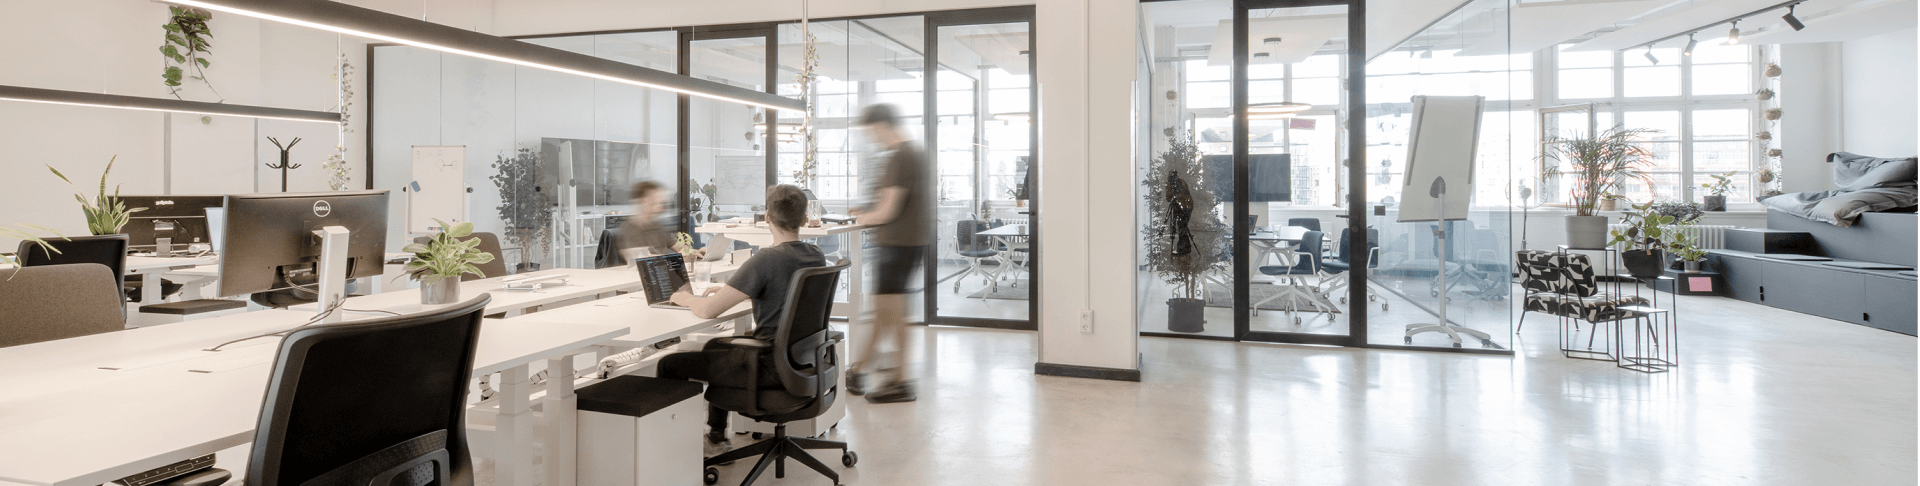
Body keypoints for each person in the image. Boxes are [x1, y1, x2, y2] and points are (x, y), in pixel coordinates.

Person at [654, 184, 827, 459]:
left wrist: (685, 298)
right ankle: (716, 436)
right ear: (804, 220)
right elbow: (788, 295)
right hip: (803, 362)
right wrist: (737, 292)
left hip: (768, 367)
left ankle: (671, 453)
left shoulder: (766, 259)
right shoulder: (816, 255)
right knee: (715, 346)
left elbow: (707, 311)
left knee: (669, 364)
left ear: (767, 217)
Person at [847, 103, 931, 404]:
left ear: (882, 126)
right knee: (889, 312)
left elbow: (888, 211)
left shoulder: (900, 156)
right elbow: (893, 204)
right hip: (907, 243)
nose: (872, 139)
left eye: (872, 132)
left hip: (897, 245)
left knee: (889, 312)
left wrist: (861, 218)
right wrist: (868, 210)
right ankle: (861, 370)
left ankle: (899, 380)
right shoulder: (915, 153)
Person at [617, 180, 676, 261]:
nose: (660, 206)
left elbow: (680, 247)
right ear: (642, 201)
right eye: (654, 201)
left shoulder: (658, 226)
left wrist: (689, 252)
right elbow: (640, 259)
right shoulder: (629, 229)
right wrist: (673, 259)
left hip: (663, 267)